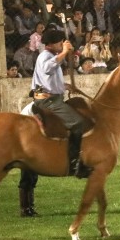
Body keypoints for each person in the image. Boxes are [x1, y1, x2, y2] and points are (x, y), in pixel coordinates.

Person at [31, 29, 92, 178]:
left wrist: (65, 86)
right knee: (78, 123)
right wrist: (64, 52)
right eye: (60, 43)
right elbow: (47, 69)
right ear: (51, 44)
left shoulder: (51, 56)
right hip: (48, 100)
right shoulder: (44, 56)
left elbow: (48, 81)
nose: (62, 44)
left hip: (54, 97)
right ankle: (74, 164)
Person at [18, 101, 39, 217]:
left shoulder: (34, 106)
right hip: (26, 144)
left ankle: (29, 207)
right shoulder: (34, 107)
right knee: (27, 177)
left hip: (30, 142)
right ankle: (25, 208)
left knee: (32, 177)